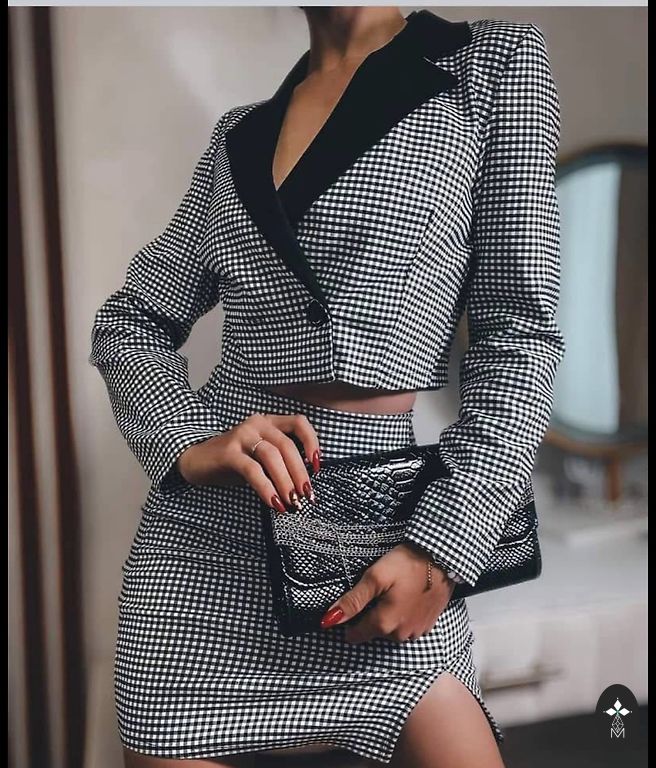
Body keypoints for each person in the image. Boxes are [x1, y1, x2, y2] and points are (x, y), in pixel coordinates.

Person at [90, 7, 565, 768]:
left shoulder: (490, 65)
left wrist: (444, 547)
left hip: (382, 542)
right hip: (198, 565)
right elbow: (130, 319)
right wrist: (188, 441)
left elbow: (519, 332)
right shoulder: (238, 136)